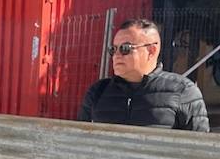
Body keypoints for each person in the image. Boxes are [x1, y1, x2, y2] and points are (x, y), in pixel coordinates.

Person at [78, 18, 210, 130]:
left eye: (125, 49)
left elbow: (199, 150)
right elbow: (78, 142)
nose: (116, 56)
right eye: (113, 49)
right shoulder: (98, 92)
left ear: (151, 51)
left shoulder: (183, 91)